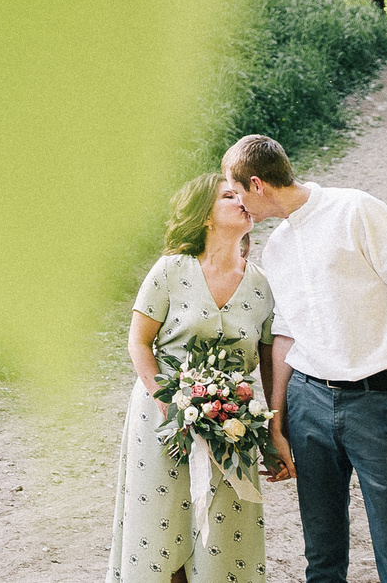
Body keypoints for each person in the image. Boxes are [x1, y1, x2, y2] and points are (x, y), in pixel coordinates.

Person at [223, 133, 387, 583]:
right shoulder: (276, 247)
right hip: (308, 405)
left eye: (236, 191)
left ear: (257, 184)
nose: (238, 204)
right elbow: (283, 335)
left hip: (378, 402)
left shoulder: (355, 210)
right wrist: (277, 420)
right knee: (321, 556)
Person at [106, 172, 292, 583]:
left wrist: (276, 431)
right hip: (162, 419)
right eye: (229, 195)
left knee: (222, 538)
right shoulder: (171, 270)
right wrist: (167, 403)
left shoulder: (262, 285)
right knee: (160, 532)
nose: (240, 199)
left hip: (234, 425)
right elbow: (139, 343)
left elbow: (268, 364)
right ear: (205, 216)